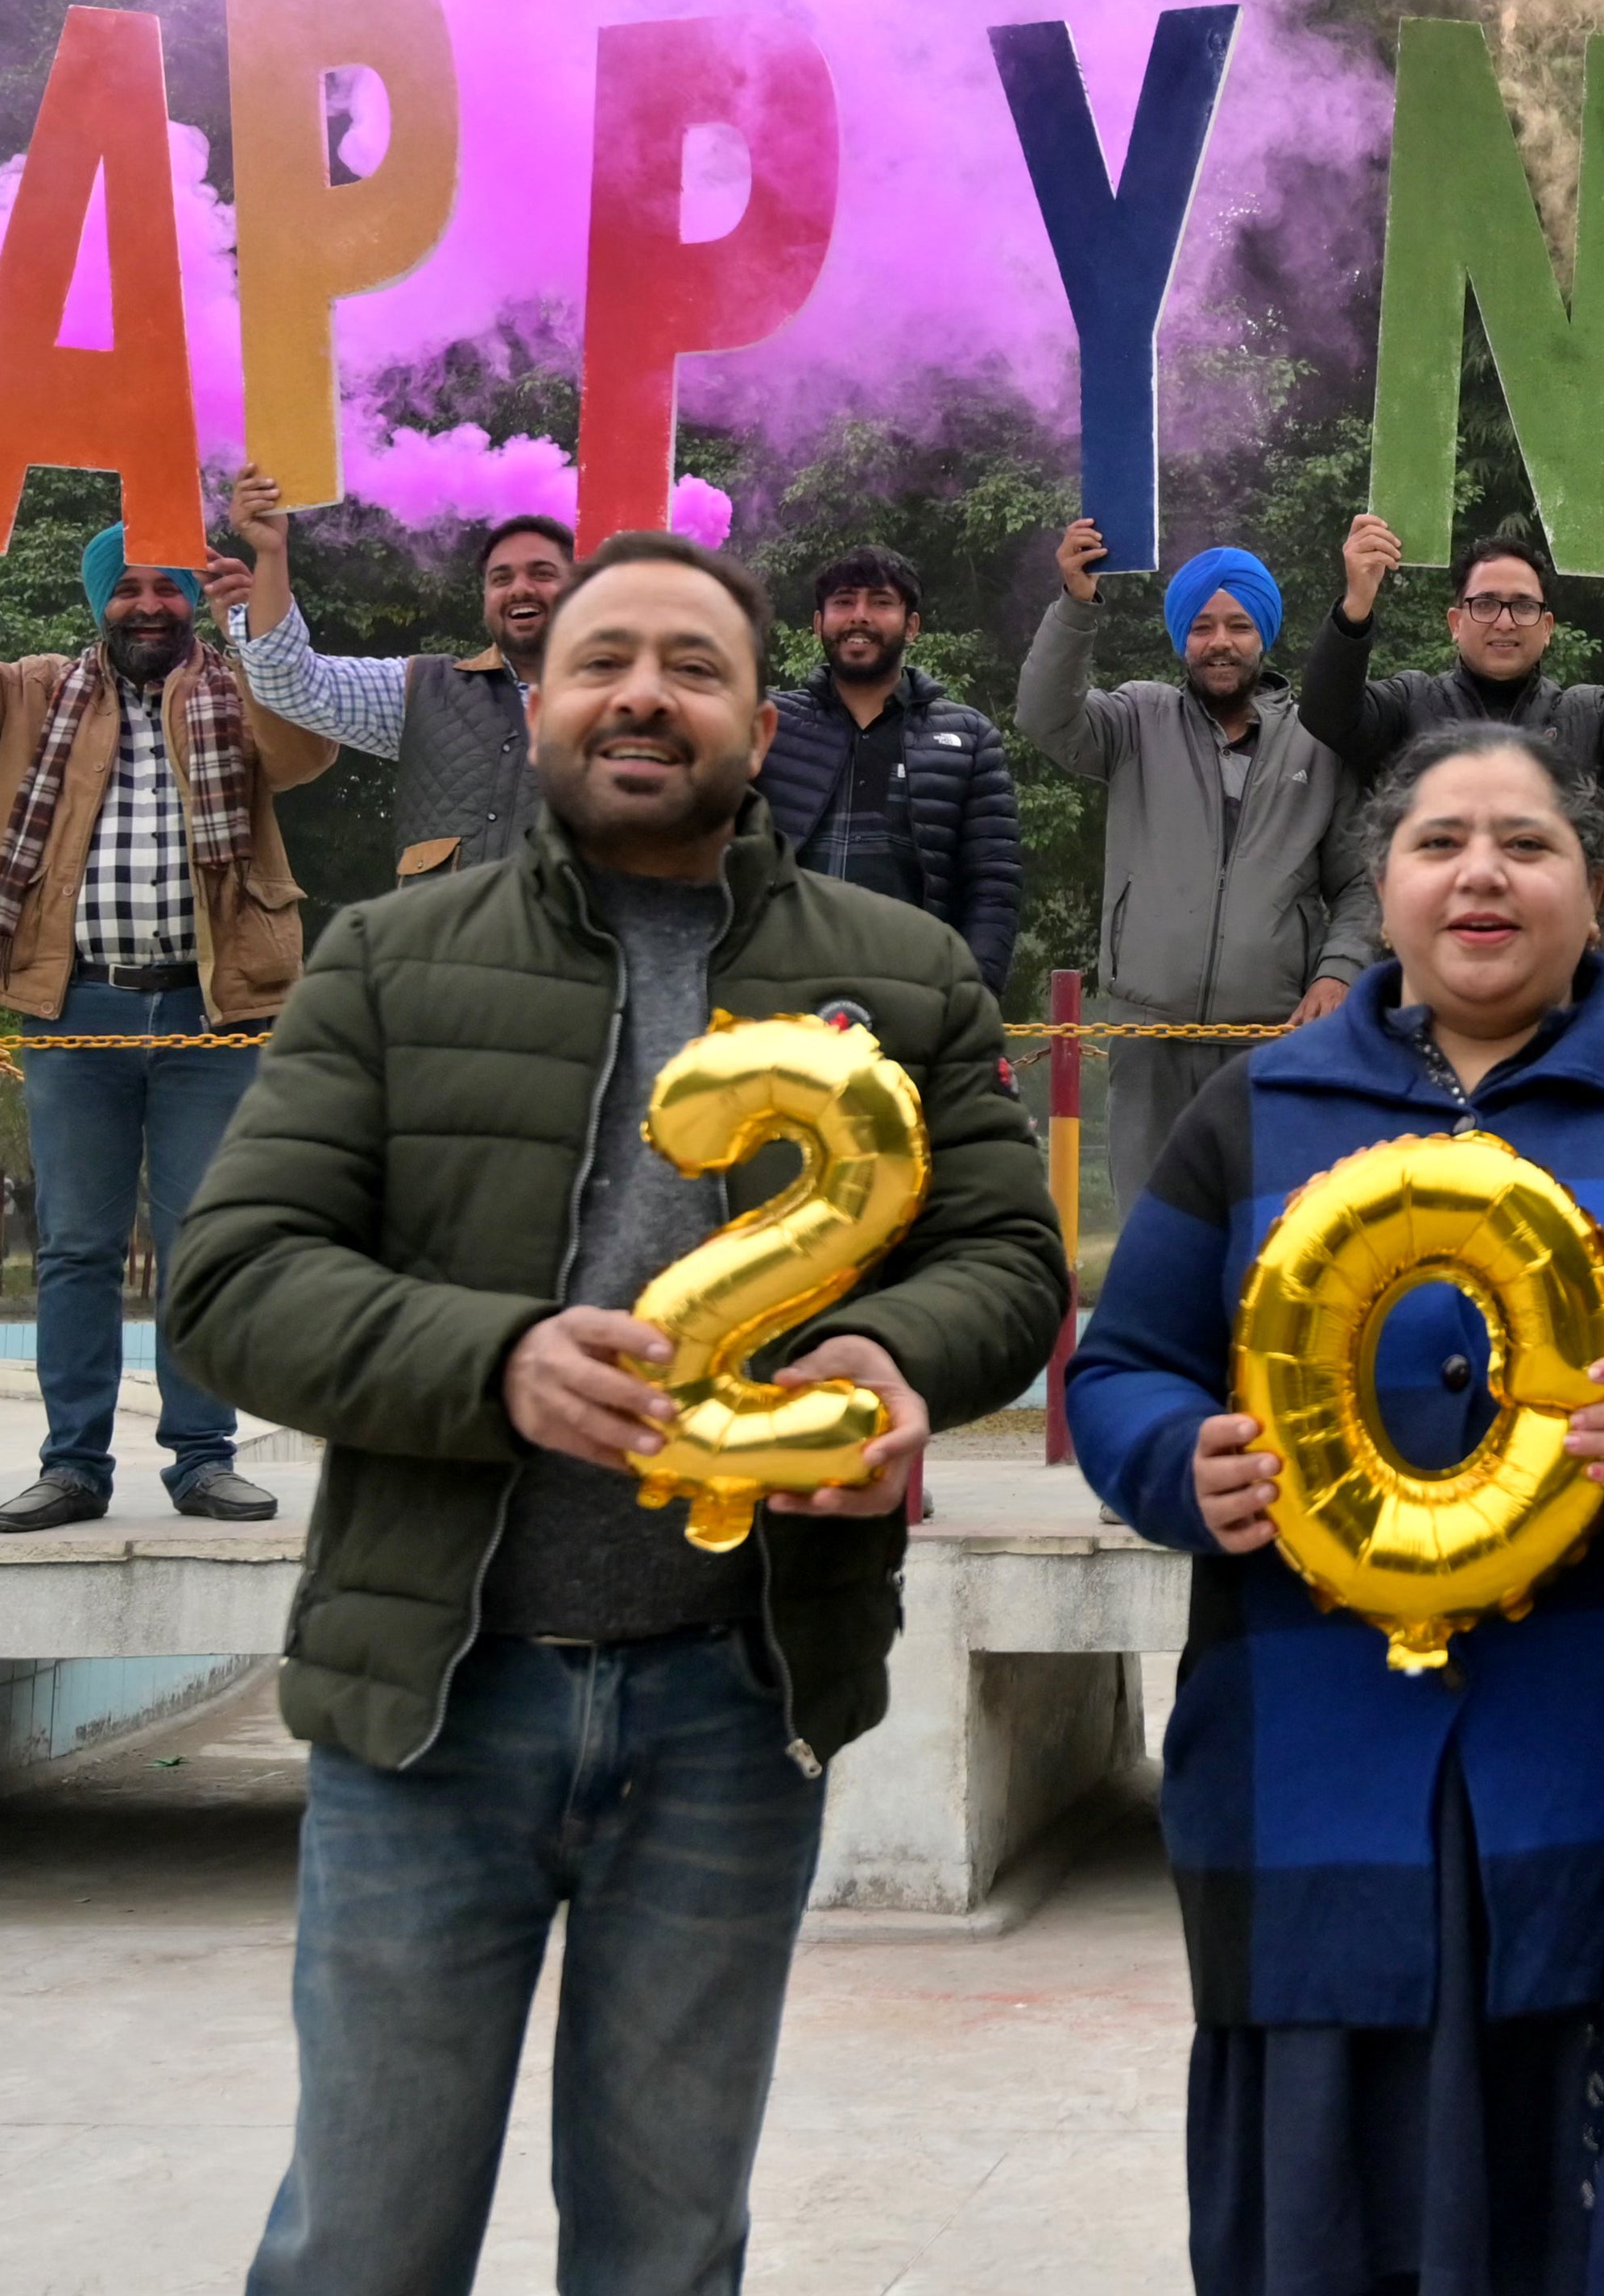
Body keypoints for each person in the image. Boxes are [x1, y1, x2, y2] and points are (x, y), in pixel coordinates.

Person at [171, 528, 1064, 2294]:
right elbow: (230, 1277)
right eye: (602, 661)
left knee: (666, 2245)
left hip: (735, 1703)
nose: (643, 693)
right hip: (435, 1693)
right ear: (538, 706)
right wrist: (495, 1359)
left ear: (761, 718)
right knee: (362, 2235)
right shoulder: (382, 955)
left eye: (693, 664)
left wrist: (900, 1358)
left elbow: (1010, 1257)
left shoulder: (899, 969)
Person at [1065, 723, 1604, 2296]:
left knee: (1586, 2198)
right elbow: (1119, 1369)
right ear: (1381, 885)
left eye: (1527, 840)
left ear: (1596, 885)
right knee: (1326, 2193)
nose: (1482, 871)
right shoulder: (1259, 1106)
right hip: (1310, 1761)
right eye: (1439, 838)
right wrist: (1184, 1460)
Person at [0, 460, 335, 1532]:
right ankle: (74, 1464)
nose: (147, 604)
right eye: (126, 587)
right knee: (78, 1248)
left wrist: (263, 607)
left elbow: (307, 749)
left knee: (201, 1241)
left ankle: (201, 1457)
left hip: (212, 1013)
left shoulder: (246, 688)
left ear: (194, 599)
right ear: (102, 603)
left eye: (167, 586)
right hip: (74, 1009)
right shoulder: (33, 690)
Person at [1015, 520, 1375, 1218]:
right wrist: (1074, 603)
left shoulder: (1319, 742)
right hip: (1148, 1041)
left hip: (1270, 1043)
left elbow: (1360, 882)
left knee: (1269, 1242)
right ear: (1181, 637)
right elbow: (1044, 716)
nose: (1220, 642)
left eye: (1238, 625)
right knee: (1154, 1240)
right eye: (1202, 626)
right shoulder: (1134, 720)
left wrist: (1339, 972)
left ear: (1263, 635)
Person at [220, 468, 571, 880]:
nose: (519, 589)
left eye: (542, 574)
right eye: (501, 578)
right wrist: (271, 553)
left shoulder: (638, 701)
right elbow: (287, 682)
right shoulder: (426, 689)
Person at [760, 542, 1023, 991]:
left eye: (880, 603)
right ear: (819, 623)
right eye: (844, 602)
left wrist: (970, 1004)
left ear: (912, 625)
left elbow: (992, 890)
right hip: (778, 991)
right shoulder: (766, 725)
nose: (860, 615)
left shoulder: (969, 738)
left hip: (909, 992)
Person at [1302, 512, 1604, 788]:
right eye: (1485, 604)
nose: (1505, 621)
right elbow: (1327, 715)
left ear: (1547, 628)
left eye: (1524, 606)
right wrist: (1356, 605)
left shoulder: (1589, 715)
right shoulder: (1410, 703)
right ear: (1455, 623)